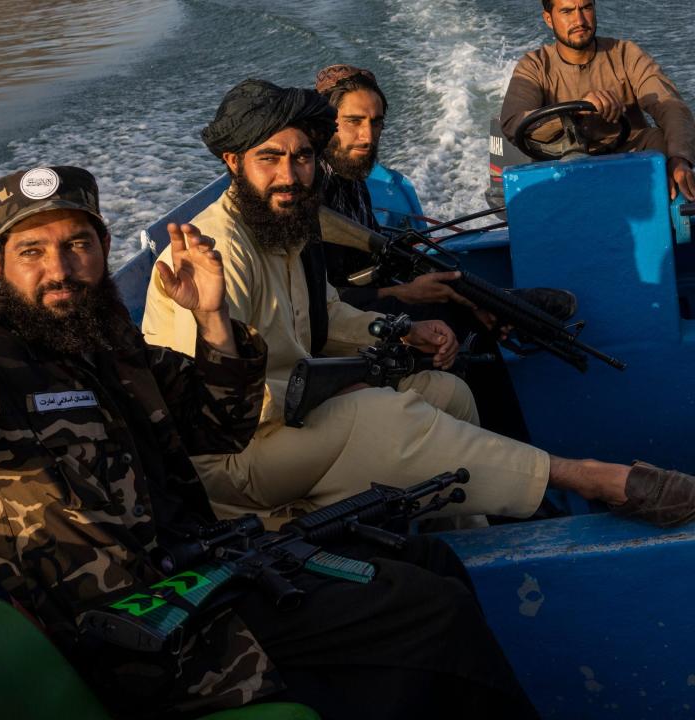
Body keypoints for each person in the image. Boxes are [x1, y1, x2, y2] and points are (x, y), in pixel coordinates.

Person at [0, 165, 540, 718]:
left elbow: (218, 423)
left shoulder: (110, 345)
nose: (60, 270)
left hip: (212, 574)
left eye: (77, 245)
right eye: (33, 252)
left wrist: (212, 319)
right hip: (144, 632)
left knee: (427, 559)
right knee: (426, 613)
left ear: (105, 248)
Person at [141, 78, 695, 530]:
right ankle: (586, 476)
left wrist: (402, 330)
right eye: (271, 159)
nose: (290, 175)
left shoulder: (286, 226)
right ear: (234, 162)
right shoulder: (213, 252)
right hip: (234, 457)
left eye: (303, 157)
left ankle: (471, 534)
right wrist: (334, 391)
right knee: (375, 410)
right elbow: (216, 405)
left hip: (295, 419)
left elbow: (327, 314)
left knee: (446, 389)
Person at [315, 63, 549, 441]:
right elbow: (315, 301)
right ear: (326, 123)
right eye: (353, 121)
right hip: (336, 323)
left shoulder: (351, 178)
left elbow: (372, 260)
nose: (367, 136)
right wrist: (401, 294)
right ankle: (511, 452)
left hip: (366, 300)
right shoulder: (309, 189)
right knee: (454, 319)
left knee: (459, 293)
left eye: (376, 123)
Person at [501, 0, 695, 201]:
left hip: (629, 156)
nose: (579, 20)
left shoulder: (625, 54)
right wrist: (575, 112)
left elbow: (670, 105)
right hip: (563, 165)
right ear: (549, 19)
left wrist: (679, 159)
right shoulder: (535, 66)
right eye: (567, 11)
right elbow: (512, 121)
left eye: (586, 8)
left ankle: (673, 220)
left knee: (662, 142)